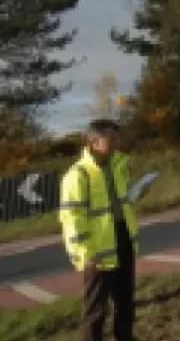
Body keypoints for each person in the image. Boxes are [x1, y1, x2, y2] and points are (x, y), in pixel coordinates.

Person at [59, 119, 139, 341]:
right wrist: (85, 253)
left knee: (125, 302)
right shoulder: (78, 175)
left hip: (122, 240)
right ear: (94, 142)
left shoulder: (118, 166)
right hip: (98, 251)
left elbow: (119, 202)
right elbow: (71, 217)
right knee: (96, 310)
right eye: (111, 138)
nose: (116, 142)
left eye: (117, 137)